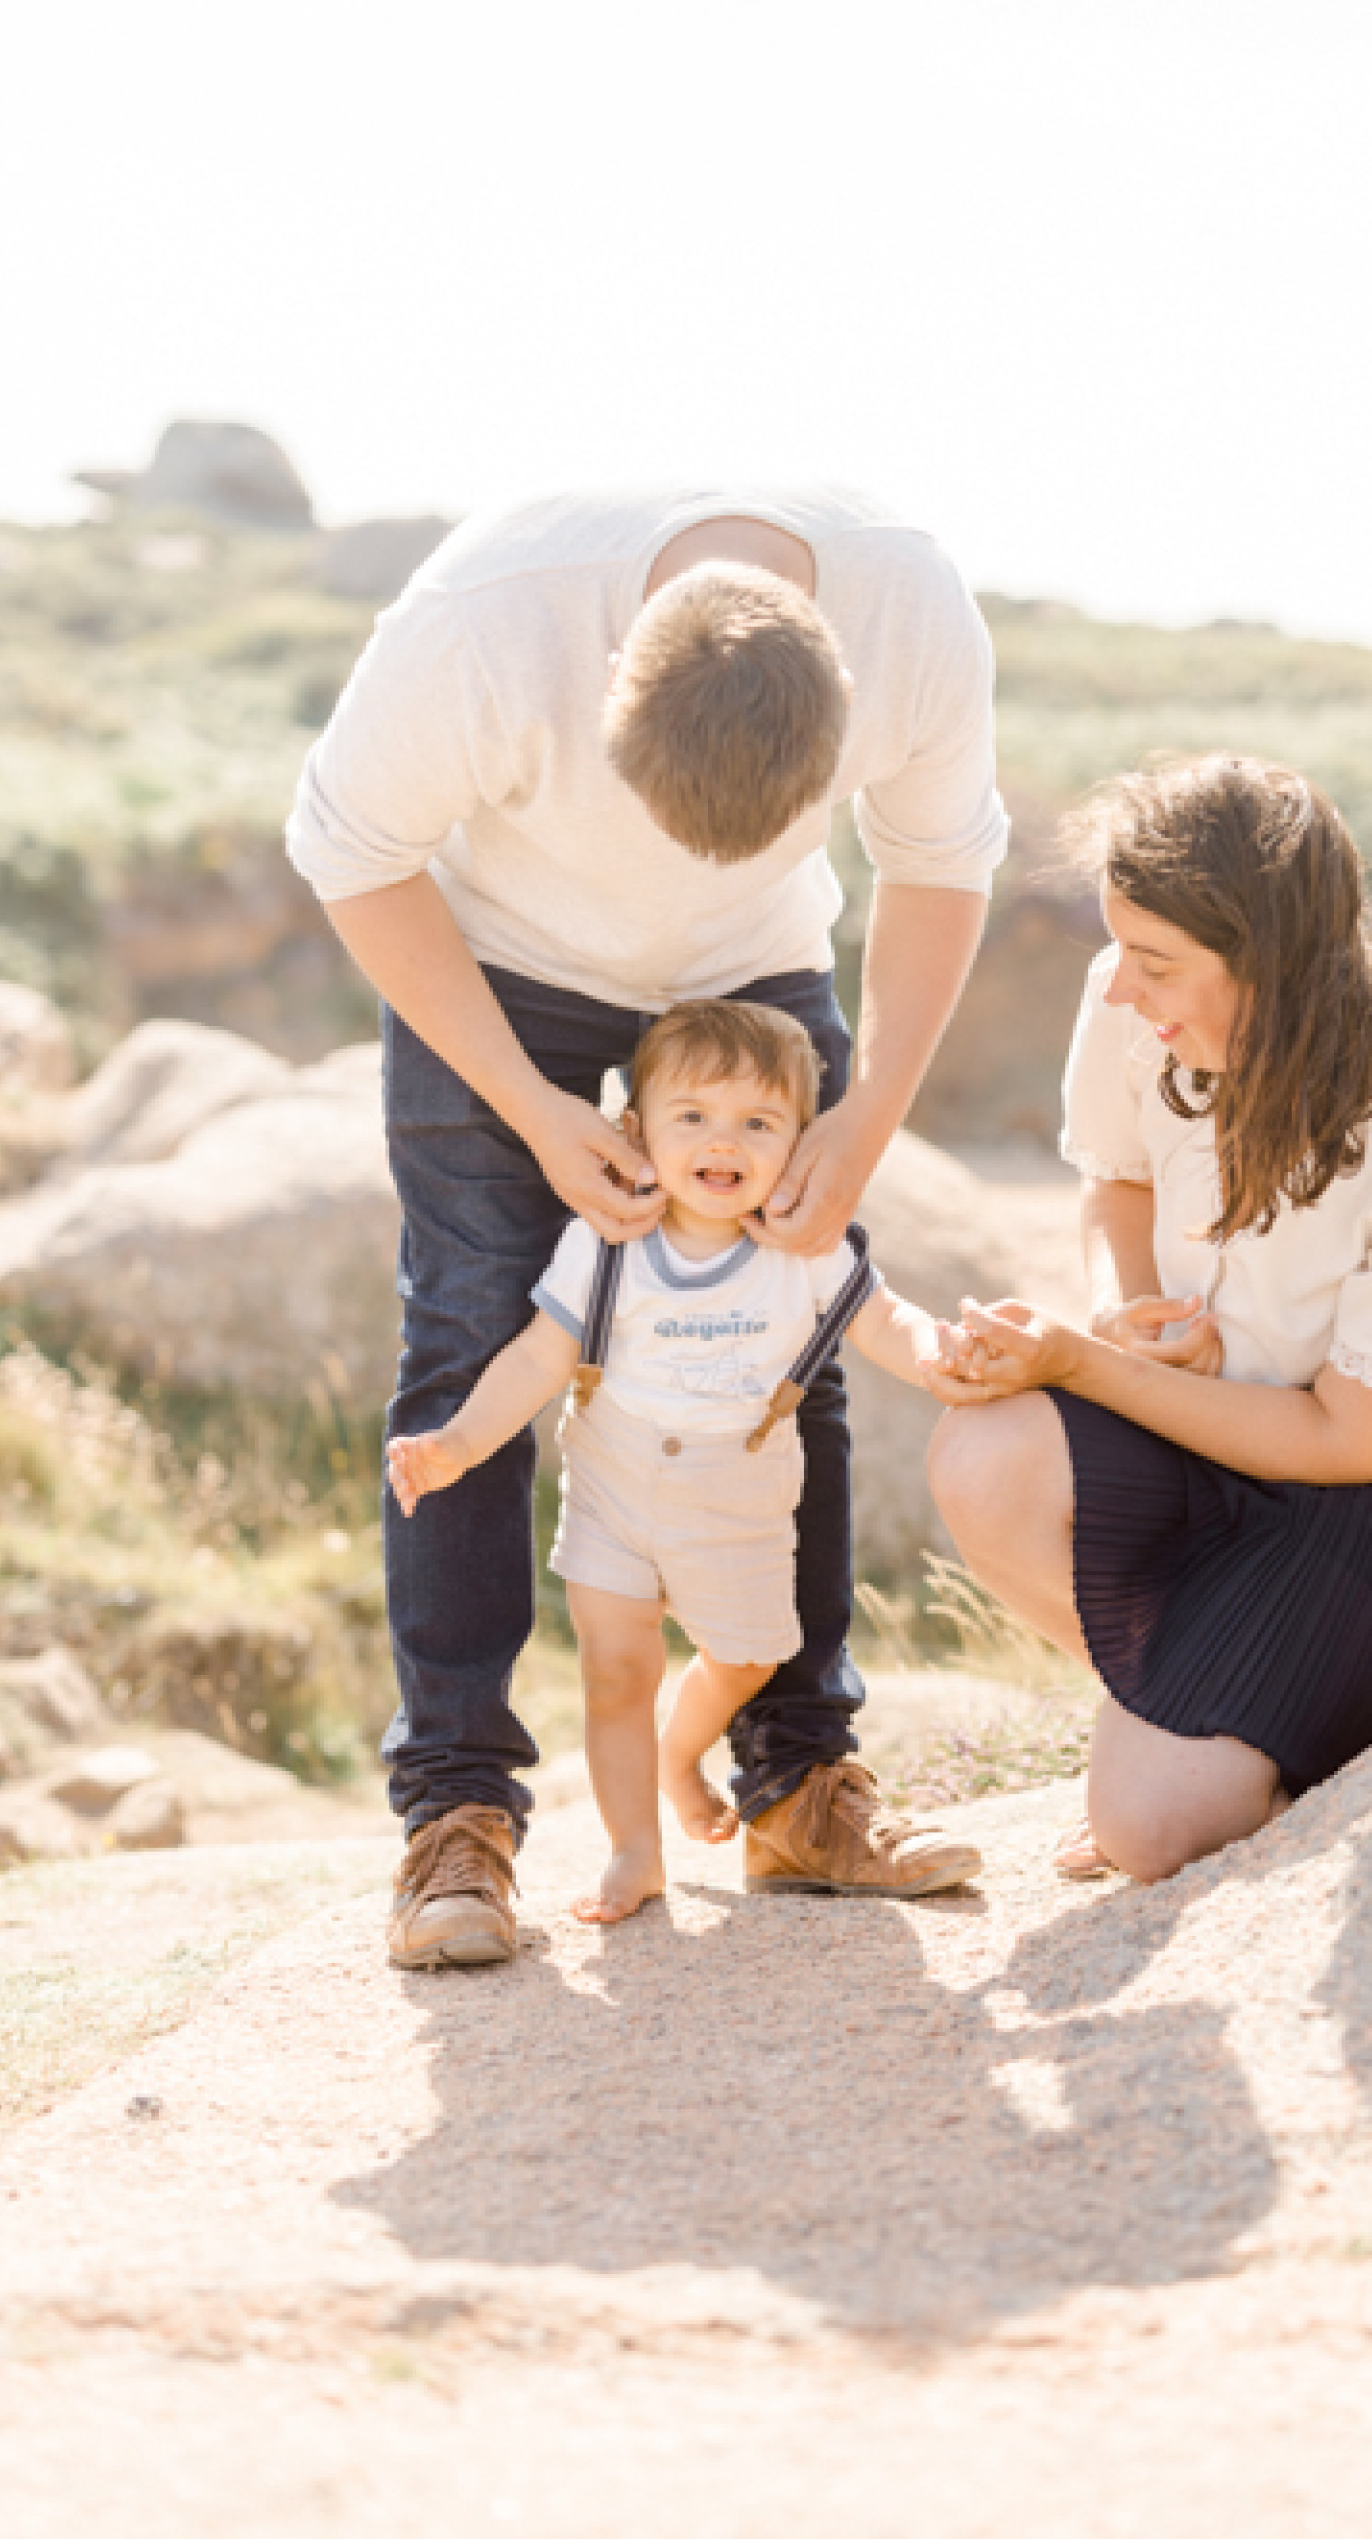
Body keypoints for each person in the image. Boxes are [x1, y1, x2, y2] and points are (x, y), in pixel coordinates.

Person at [286, 486, 1005, 1968]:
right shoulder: (487, 625)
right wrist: (536, 1109)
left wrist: (863, 1128)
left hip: (758, 972)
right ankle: (457, 1819)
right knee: (471, 1336)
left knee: (794, 1329)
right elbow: (349, 848)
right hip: (502, 967)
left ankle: (800, 1784)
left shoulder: (914, 613)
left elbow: (936, 864)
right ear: (611, 680)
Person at [926, 753, 1372, 1884]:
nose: (1121, 986)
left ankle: (1231, 1741)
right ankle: (1185, 1706)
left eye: (1156, 963)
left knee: (1149, 1834)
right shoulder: (1135, 1004)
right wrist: (1127, 1309)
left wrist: (1080, 1364)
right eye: (1121, 947)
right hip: (1201, 1416)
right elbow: (1115, 1183)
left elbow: (1349, 1439)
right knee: (983, 1456)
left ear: (1270, 962)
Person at [386, 999, 979, 1931]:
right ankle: (633, 1852)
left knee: (748, 1655)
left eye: (758, 1123)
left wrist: (941, 1353)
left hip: (740, 1496)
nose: (723, 1141)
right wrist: (459, 1442)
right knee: (616, 1670)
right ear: (637, 1132)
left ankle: (680, 1756)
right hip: (618, 1482)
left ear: (800, 1143)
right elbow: (540, 1356)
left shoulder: (804, 1249)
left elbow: (886, 1322)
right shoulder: (609, 1244)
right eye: (692, 1117)